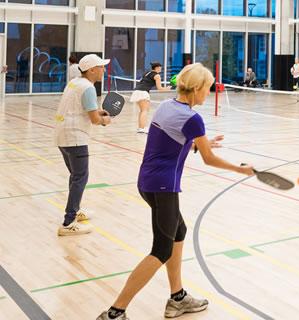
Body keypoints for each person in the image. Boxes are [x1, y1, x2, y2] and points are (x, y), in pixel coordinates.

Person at [96, 63, 255, 320]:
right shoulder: (193, 119)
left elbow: (169, 141)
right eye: (207, 88)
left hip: (147, 182)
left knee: (178, 232)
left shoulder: (168, 105)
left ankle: (177, 297)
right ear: (195, 89)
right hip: (163, 185)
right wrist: (240, 169)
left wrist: (198, 143)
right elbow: (209, 159)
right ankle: (115, 312)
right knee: (161, 250)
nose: (209, 93)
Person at [53, 54, 113, 236]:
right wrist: (105, 120)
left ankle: (75, 209)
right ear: (92, 70)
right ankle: (68, 222)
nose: (104, 69)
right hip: (75, 138)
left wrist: (98, 111)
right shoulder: (88, 88)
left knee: (75, 176)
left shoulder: (75, 83)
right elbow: (95, 120)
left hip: (61, 135)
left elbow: (83, 108)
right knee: (80, 177)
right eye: (101, 67)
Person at [131, 62, 170, 134]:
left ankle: (141, 127)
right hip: (143, 92)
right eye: (160, 67)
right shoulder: (157, 75)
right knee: (144, 111)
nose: (161, 69)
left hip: (137, 91)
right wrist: (167, 88)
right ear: (157, 68)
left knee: (143, 110)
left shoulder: (147, 73)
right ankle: (142, 128)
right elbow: (159, 88)